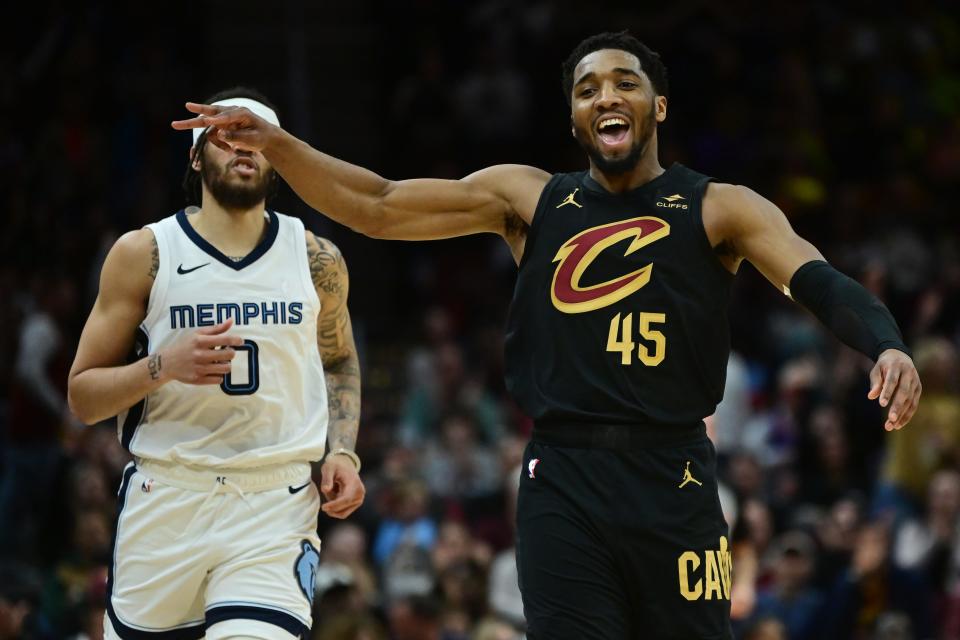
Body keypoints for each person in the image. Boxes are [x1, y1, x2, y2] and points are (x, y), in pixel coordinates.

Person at [173, 32, 922, 640]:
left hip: (676, 476)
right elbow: (379, 203)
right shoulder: (531, 198)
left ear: (657, 106)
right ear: (573, 120)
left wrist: (885, 341)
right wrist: (278, 146)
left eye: (623, 82)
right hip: (562, 477)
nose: (605, 96)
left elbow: (813, 275)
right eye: (587, 88)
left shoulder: (719, 206)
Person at [70, 87, 365, 640]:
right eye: (227, 136)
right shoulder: (145, 253)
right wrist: (161, 366)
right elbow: (83, 396)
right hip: (167, 497)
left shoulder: (316, 257)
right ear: (197, 154)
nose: (243, 148)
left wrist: (342, 448)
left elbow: (340, 358)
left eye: (258, 137)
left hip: (274, 503)